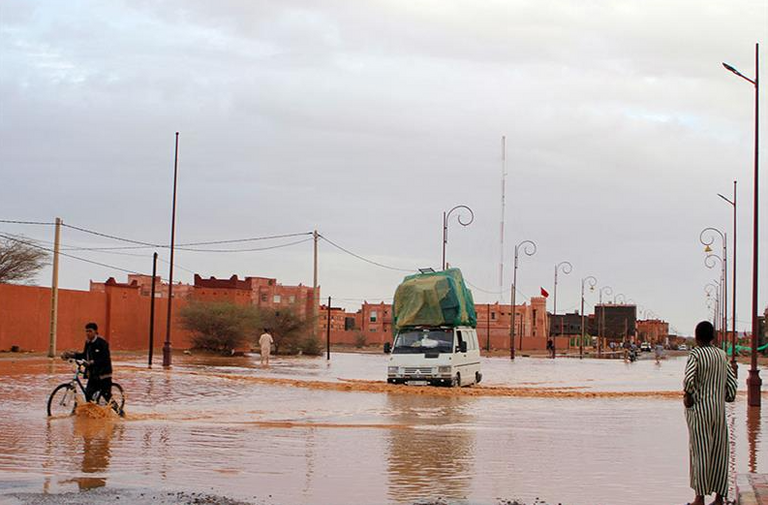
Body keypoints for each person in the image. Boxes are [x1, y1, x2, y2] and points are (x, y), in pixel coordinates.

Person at [683, 321, 737, 505]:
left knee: (700, 452)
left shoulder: (696, 354)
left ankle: (699, 498)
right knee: (720, 452)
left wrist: (688, 395)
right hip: (718, 411)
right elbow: (732, 385)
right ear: (713, 337)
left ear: (697, 337)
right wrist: (726, 397)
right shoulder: (722, 355)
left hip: (699, 411)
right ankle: (719, 498)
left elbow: (689, 379)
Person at [61, 322, 113, 403]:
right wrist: (72, 355)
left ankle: (120, 413)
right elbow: (84, 355)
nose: (87, 333)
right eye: (86, 331)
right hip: (93, 373)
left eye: (90, 331)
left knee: (107, 398)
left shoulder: (102, 343)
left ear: (95, 332)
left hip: (104, 374)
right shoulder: (88, 342)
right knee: (88, 395)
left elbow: (105, 358)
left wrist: (92, 362)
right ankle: (93, 413)